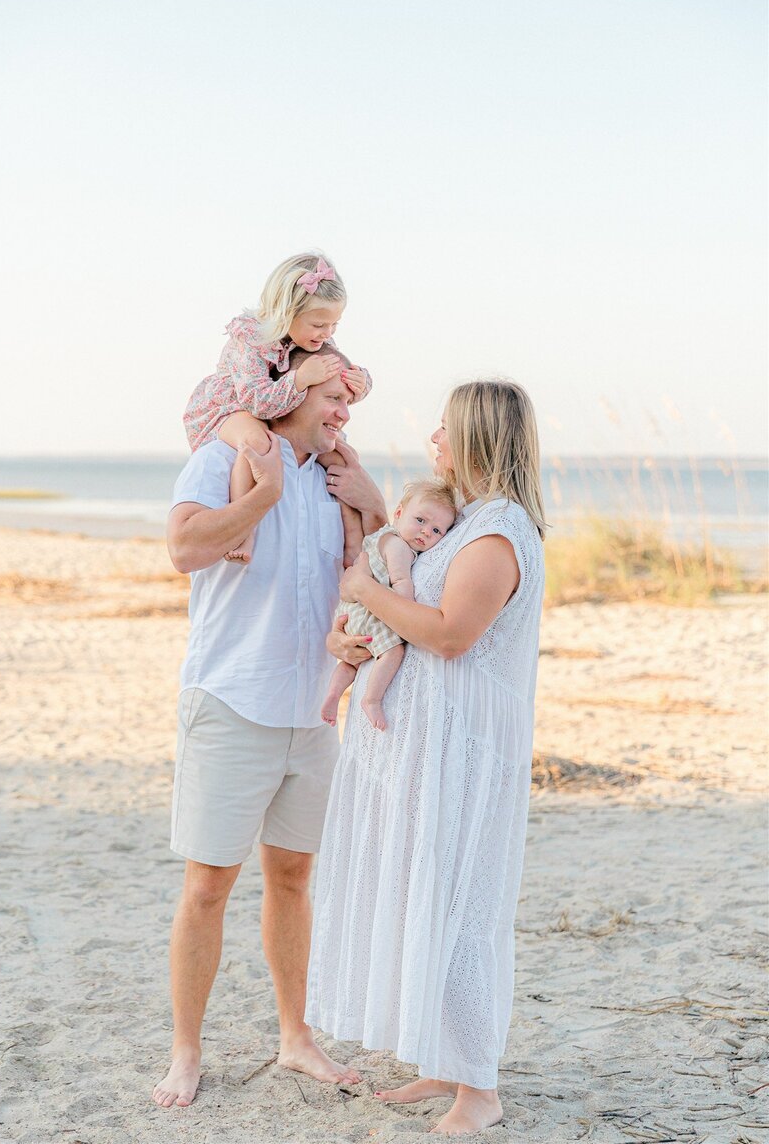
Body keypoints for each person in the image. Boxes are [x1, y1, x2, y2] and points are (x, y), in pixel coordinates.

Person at [306, 379, 547, 1137]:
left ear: (477, 437)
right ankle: (445, 1064)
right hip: (422, 744)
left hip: (464, 752)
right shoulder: (467, 520)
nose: (434, 440)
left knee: (463, 908)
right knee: (425, 895)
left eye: (445, 430)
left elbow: (448, 635)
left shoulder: (498, 533)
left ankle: (479, 1090)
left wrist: (360, 593)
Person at [152, 346, 387, 1110]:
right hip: (231, 702)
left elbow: (376, 575)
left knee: (292, 878)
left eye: (352, 401)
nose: (345, 414)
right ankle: (187, 1049)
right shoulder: (228, 455)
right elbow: (185, 548)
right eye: (333, 398)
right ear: (290, 395)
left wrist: (374, 502)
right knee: (208, 886)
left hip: (312, 712)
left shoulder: (337, 481)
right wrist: (263, 498)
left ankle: (295, 1037)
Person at [183, 251, 371, 563]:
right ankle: (244, 529)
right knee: (257, 443)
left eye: (334, 325)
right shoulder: (252, 339)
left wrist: (360, 383)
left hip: (275, 406)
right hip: (233, 406)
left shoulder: (315, 340)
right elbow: (258, 400)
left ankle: (353, 543)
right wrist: (299, 380)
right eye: (319, 324)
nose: (327, 334)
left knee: (343, 457)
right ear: (287, 314)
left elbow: (337, 379)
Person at [320, 478, 459, 732]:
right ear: (398, 514)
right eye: (420, 520)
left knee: (351, 663)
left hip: (352, 613)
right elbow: (400, 581)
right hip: (370, 613)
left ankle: (333, 693)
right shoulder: (399, 547)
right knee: (392, 652)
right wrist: (408, 614)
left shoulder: (381, 537)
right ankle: (371, 699)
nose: (427, 531)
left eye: (437, 530)